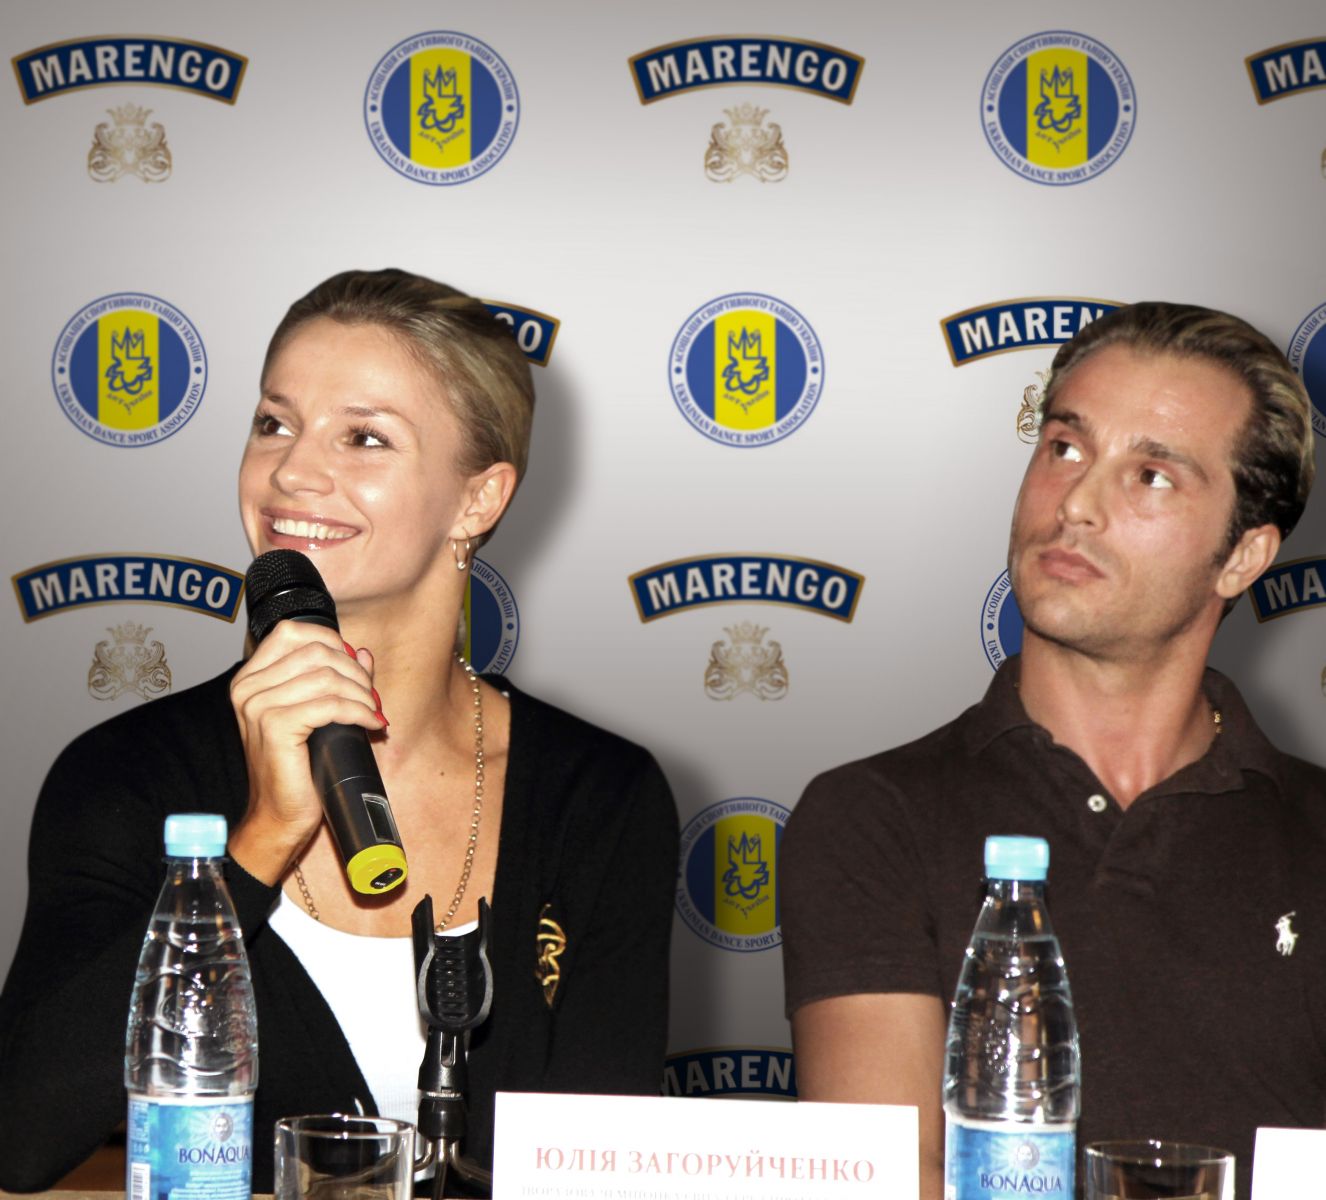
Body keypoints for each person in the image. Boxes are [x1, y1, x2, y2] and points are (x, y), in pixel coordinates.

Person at [0, 269, 679, 1194]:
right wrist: (256, 847)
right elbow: (22, 1133)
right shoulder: (127, 774)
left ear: (478, 500)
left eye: (364, 437)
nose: (290, 472)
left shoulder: (599, 798)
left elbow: (606, 1168)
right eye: (274, 423)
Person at [781, 302, 1326, 1200]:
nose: (1075, 504)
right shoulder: (873, 817)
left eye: (1151, 476)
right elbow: (894, 1179)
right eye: (1065, 448)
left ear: (1242, 557)